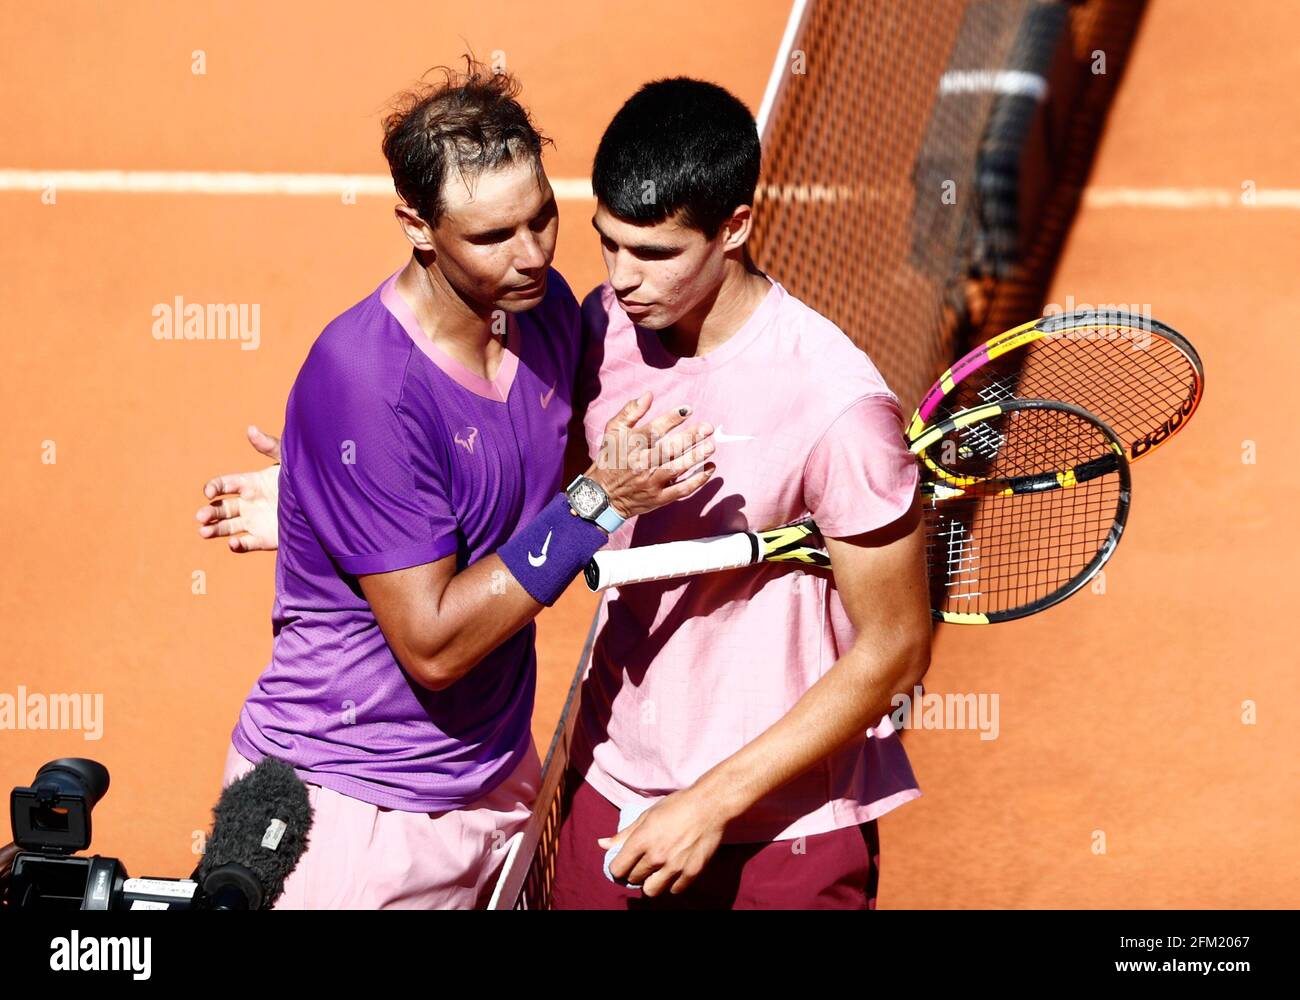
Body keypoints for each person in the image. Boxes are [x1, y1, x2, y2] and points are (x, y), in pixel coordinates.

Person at [201, 76, 932, 911]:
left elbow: (897, 646)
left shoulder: (828, 402)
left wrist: (712, 800)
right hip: (490, 796)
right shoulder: (589, 332)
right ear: (417, 226)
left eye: (545, 219)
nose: (605, 276)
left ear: (735, 228)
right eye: (606, 245)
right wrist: (321, 501)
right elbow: (515, 529)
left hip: (760, 824)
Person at [198, 60, 715, 909]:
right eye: (491, 237)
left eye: (543, 218)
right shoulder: (362, 384)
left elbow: (518, 479)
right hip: (352, 811)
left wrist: (322, 511)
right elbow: (434, 645)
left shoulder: (542, 312)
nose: (532, 255)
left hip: (491, 775)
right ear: (416, 225)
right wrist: (597, 504)